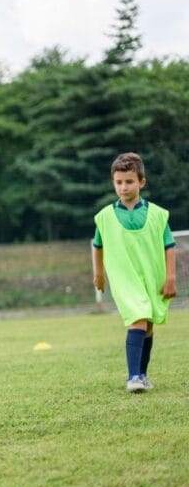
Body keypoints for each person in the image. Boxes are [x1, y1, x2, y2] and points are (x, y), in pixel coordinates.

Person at [93, 152, 177, 393]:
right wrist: (99, 274)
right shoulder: (105, 216)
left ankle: (142, 374)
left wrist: (170, 277)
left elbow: (169, 247)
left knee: (148, 325)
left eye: (129, 181)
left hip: (152, 276)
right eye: (118, 182)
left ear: (141, 182)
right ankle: (133, 378)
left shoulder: (158, 215)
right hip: (125, 278)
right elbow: (98, 246)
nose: (123, 187)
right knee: (138, 319)